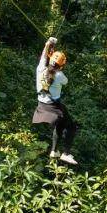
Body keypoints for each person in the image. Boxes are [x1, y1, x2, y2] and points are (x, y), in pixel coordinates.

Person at [32, 36, 78, 165]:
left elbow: (43, 57)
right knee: (72, 127)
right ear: (62, 65)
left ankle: (54, 151)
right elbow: (65, 80)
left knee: (60, 124)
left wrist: (48, 44)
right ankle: (66, 153)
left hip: (42, 105)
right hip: (54, 107)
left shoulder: (40, 69)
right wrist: (53, 57)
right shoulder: (60, 76)